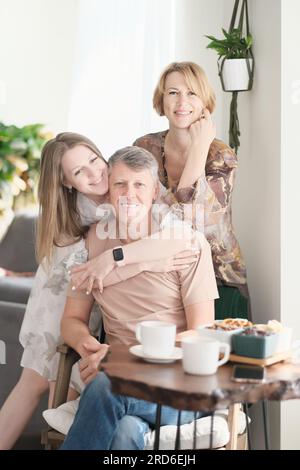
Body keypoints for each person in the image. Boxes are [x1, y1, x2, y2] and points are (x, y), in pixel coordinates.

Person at [0, 133, 198, 450]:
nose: (94, 173)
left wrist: (115, 259)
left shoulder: (124, 193)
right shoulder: (84, 213)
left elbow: (181, 237)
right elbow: (79, 288)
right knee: (41, 378)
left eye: (94, 160)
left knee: (76, 385)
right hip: (62, 292)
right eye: (79, 172)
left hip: (96, 293)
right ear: (68, 184)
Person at [60, 146, 219, 450]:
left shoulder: (185, 246)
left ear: (155, 192)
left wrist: (123, 357)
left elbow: (201, 334)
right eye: (120, 184)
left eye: (139, 185)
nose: (128, 194)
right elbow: (71, 320)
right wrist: (88, 346)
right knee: (124, 432)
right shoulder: (90, 245)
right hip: (122, 387)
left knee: (109, 384)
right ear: (108, 190)